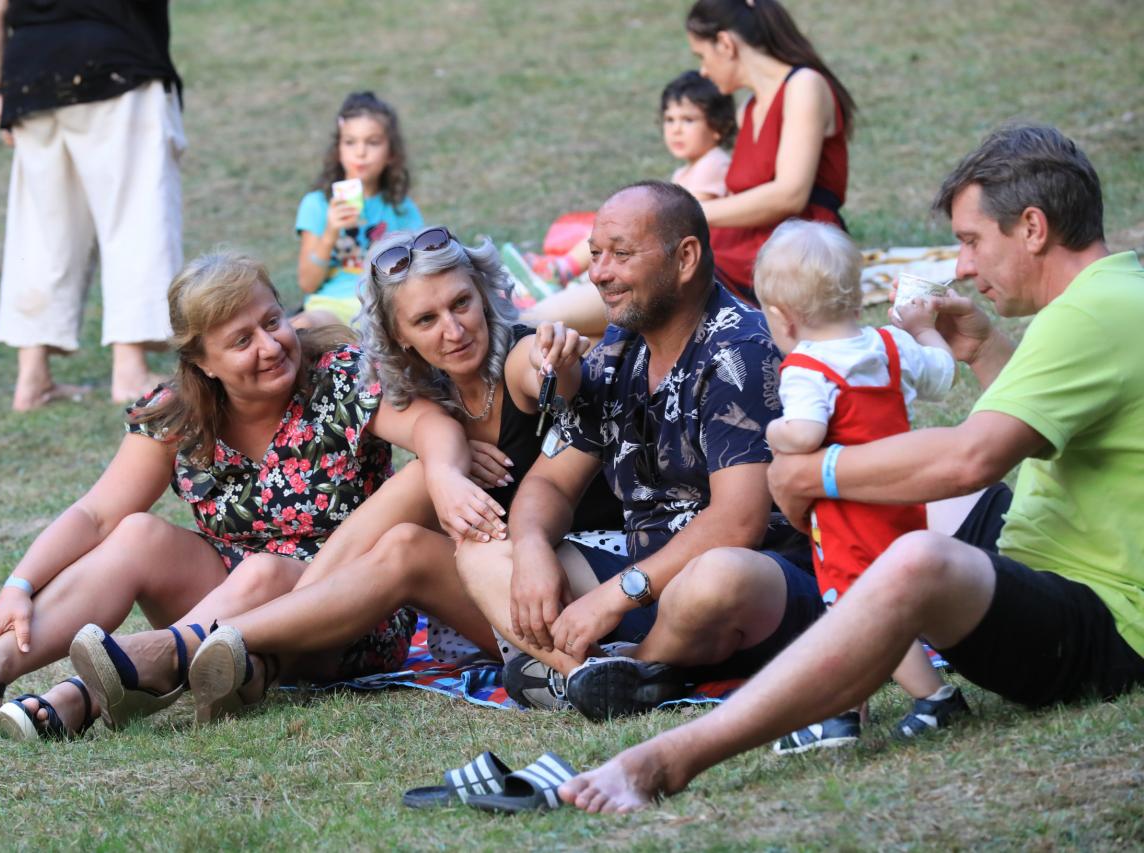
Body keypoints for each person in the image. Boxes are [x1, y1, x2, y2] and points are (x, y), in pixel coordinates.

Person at [559, 124, 1144, 813]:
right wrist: (985, 349)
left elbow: (971, 457)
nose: (962, 265)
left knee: (914, 556)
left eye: (970, 239)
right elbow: (1049, 443)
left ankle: (672, 755)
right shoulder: (1114, 293)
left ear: (1034, 228)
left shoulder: (1090, 315)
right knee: (902, 511)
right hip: (1049, 570)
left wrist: (817, 473)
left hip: (1107, 626)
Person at [0, 250, 503, 739]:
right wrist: (19, 584)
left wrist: (445, 473)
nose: (270, 346)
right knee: (137, 534)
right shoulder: (179, 413)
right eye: (241, 340)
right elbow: (96, 514)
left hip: (346, 615)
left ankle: (86, 694)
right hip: (225, 606)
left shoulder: (337, 379)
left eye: (272, 321)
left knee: (262, 572)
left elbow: (432, 426)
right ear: (202, 361)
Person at [69, 228, 626, 724]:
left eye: (462, 303)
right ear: (400, 335)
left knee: (406, 539)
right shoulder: (431, 389)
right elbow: (322, 329)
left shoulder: (518, 356)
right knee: (405, 528)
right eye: (426, 319)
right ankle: (237, 656)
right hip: (501, 591)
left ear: (483, 296)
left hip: (577, 579)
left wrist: (558, 361)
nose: (453, 330)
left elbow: (549, 371)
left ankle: (186, 649)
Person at [456, 180, 826, 720]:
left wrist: (613, 597)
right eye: (595, 255)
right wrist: (531, 547)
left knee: (717, 575)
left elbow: (738, 521)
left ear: (686, 258)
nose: (599, 273)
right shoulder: (618, 350)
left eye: (621, 255)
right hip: (649, 584)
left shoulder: (740, 350)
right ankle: (591, 676)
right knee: (482, 551)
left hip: (756, 589)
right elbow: (550, 482)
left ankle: (637, 667)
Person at [755, 219, 966, 753]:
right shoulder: (892, 346)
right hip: (899, 497)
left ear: (783, 316)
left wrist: (774, 430)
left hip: (849, 513)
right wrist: (922, 330)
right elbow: (943, 374)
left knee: (862, 608)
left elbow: (806, 434)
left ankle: (936, 699)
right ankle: (844, 712)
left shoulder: (805, 368)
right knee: (859, 607)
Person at [0, 0, 187, 411]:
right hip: (117, 60)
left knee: (41, 230)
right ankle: (130, 370)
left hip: (30, 73)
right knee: (134, 216)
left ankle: (33, 377)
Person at [508, 71, 738, 337]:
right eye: (669, 119)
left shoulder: (714, 163)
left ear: (719, 127)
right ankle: (559, 278)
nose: (676, 129)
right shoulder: (688, 171)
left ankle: (556, 276)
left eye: (688, 120)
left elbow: (682, 223)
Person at [684, 0, 856, 305]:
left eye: (702, 55)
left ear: (725, 44)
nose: (704, 70)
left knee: (656, 282)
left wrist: (686, 212)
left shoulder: (804, 85)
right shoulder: (748, 109)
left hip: (796, 251)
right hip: (744, 247)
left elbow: (790, 195)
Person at [293, 92, 423, 329]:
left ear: (391, 153)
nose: (360, 152)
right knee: (302, 326)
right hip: (332, 306)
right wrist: (330, 232)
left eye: (372, 142)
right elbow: (307, 283)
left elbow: (418, 271)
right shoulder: (317, 204)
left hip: (385, 305)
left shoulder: (401, 208)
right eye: (350, 142)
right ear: (338, 149)